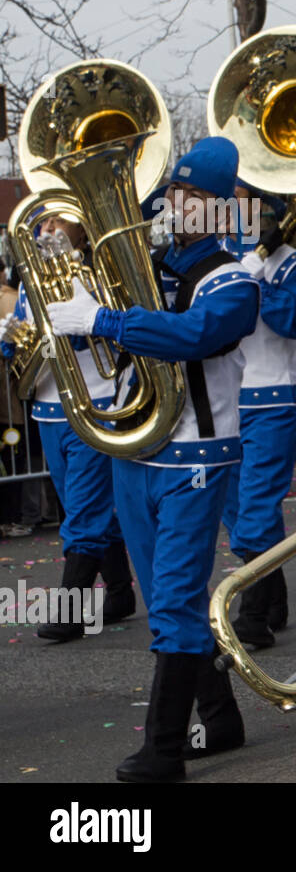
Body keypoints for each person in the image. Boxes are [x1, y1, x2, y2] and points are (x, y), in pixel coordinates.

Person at [47, 137, 259, 781]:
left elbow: (196, 335)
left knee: (171, 598)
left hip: (195, 452)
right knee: (171, 597)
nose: (177, 205)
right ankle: (220, 719)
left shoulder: (234, 278)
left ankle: (164, 748)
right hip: (138, 446)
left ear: (222, 210)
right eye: (175, 192)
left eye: (194, 198)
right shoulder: (149, 264)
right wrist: (70, 263)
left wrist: (105, 319)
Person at [0, 214, 136, 640]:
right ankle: (118, 591)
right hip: (47, 409)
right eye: (43, 224)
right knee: (83, 504)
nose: (48, 231)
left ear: (82, 230)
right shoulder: (29, 283)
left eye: (60, 222)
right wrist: (11, 340)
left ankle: (71, 609)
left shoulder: (97, 276)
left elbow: (112, 334)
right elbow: (29, 341)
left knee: (83, 509)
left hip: (92, 402)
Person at [218, 183, 296, 649]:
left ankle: (253, 613)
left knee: (256, 504)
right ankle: (274, 598)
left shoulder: (291, 263)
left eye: (245, 203)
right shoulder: (218, 256)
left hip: (272, 396)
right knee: (234, 507)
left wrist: (255, 282)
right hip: (227, 399)